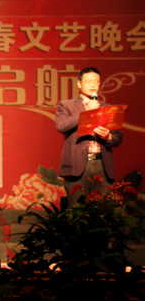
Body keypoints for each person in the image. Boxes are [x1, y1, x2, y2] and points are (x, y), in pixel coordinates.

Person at [56, 67, 123, 207]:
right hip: (77, 165)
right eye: (88, 81)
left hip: (102, 165)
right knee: (76, 211)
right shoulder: (67, 105)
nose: (93, 84)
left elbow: (118, 138)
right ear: (79, 84)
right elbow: (61, 126)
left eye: (96, 81)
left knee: (103, 211)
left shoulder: (107, 108)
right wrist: (87, 111)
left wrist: (108, 137)